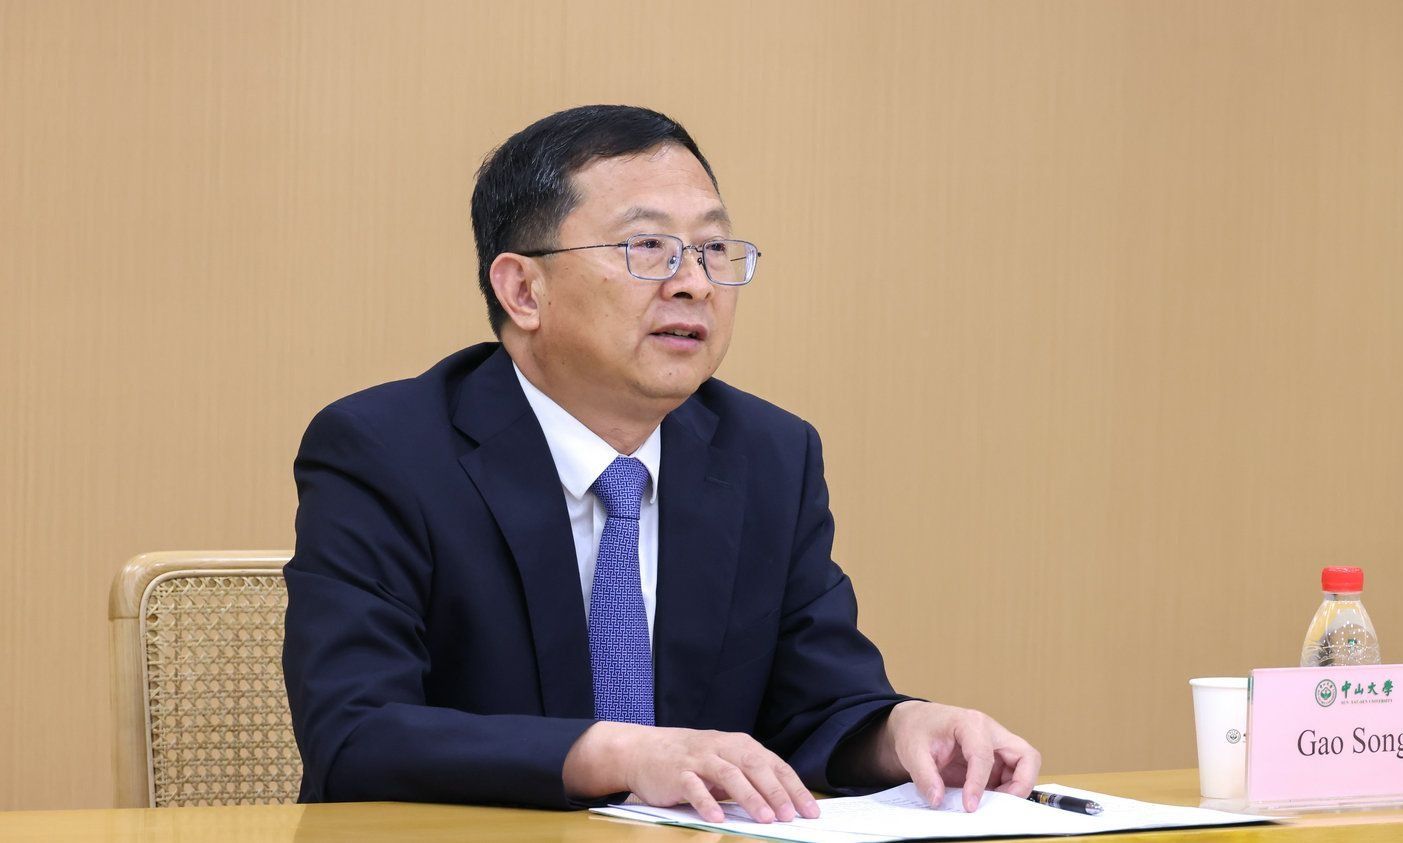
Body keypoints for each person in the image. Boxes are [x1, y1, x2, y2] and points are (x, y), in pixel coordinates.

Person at [283, 105, 1039, 823]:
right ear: (523, 289)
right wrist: (622, 754)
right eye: (647, 248)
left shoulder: (767, 455)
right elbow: (356, 734)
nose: (695, 283)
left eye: (713, 250)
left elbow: (818, 706)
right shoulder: (387, 451)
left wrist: (903, 730)